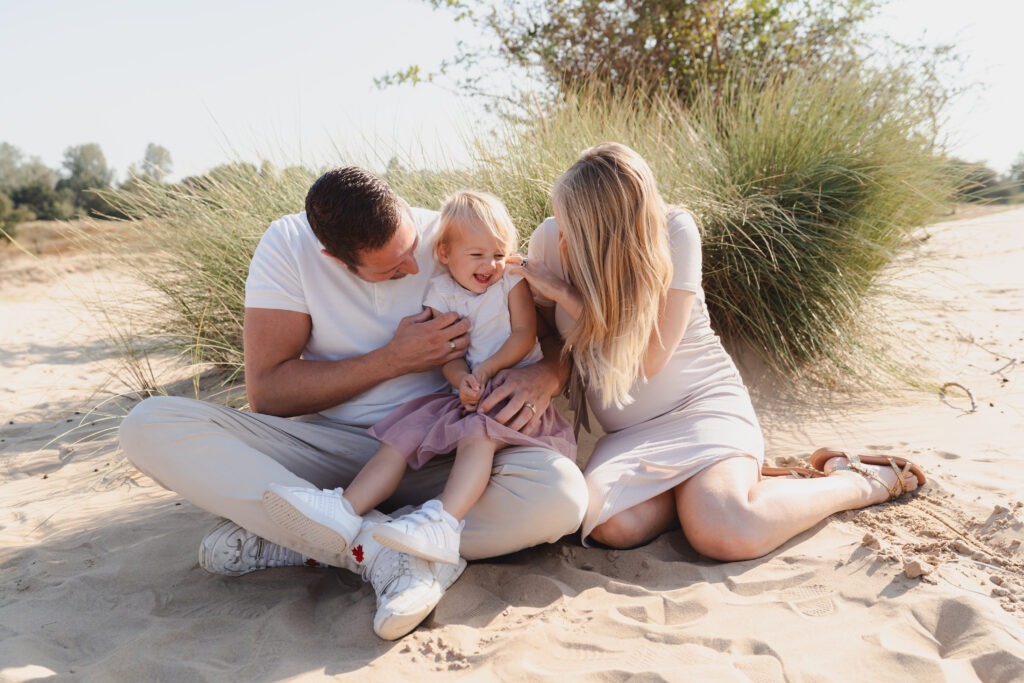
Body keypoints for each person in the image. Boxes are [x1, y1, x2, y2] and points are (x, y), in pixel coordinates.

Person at [118, 167, 587, 640]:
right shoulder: (287, 247)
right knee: (149, 424)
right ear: (335, 259)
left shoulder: (453, 235)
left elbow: (543, 338)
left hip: (447, 448)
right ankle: (385, 553)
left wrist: (544, 375)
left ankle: (311, 537)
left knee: (561, 497)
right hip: (330, 452)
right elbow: (268, 392)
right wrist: (390, 360)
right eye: (390, 269)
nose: (411, 268)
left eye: (411, 253)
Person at [511, 142, 926, 560]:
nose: (560, 231)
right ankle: (710, 491)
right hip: (629, 434)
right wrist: (546, 369)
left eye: (572, 223)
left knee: (724, 531)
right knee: (613, 527)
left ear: (603, 227)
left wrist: (569, 295)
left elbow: (651, 358)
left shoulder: (673, 232)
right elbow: (548, 333)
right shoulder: (552, 237)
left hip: (701, 409)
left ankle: (854, 481)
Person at [263, 190, 576, 567]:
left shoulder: (510, 281)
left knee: (479, 434)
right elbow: (449, 355)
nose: (490, 264)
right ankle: (345, 510)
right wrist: (462, 380)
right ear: (444, 254)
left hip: (507, 390)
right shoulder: (440, 291)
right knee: (403, 433)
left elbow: (524, 334)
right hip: (468, 391)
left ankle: (442, 522)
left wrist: (486, 371)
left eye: (498, 253)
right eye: (477, 255)